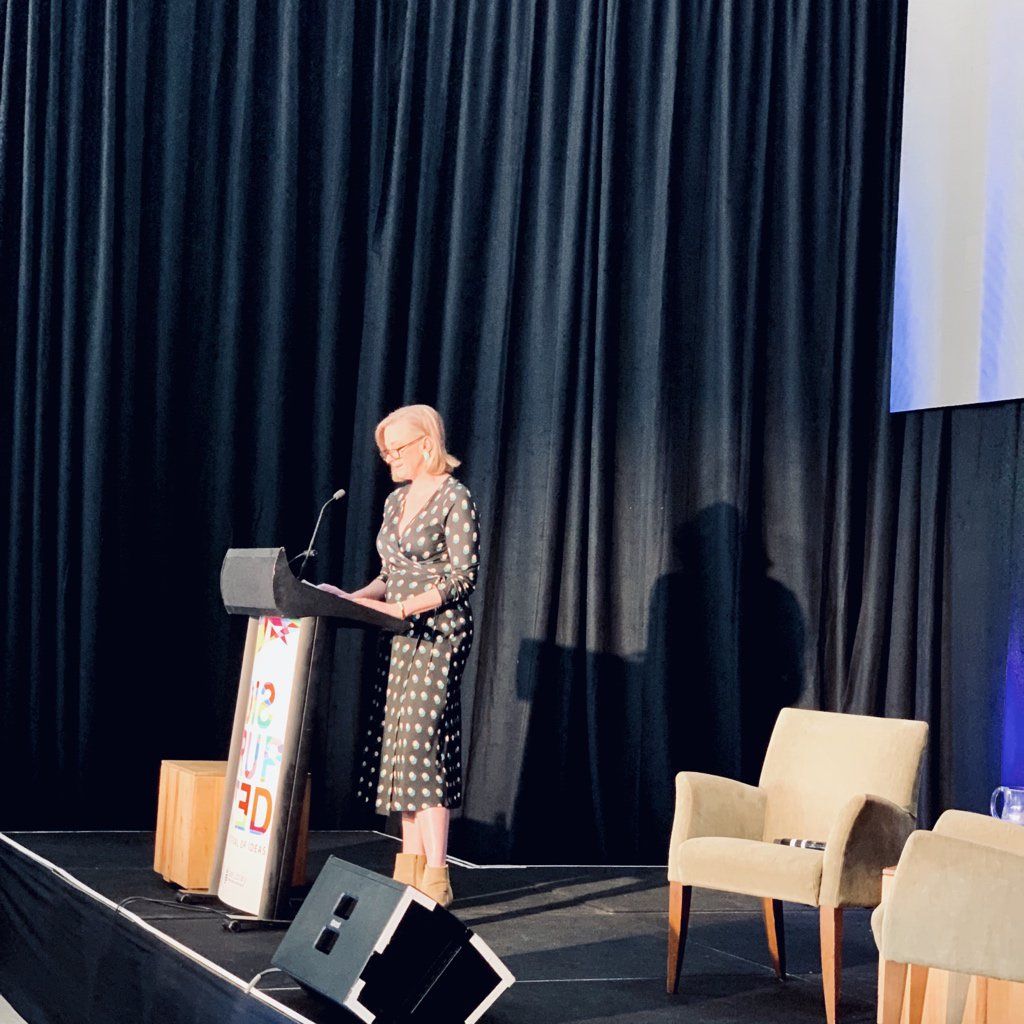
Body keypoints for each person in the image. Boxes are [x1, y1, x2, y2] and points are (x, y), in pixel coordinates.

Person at [320, 404, 479, 907]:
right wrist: (351, 598)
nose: (389, 459)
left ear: (426, 444)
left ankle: (437, 873)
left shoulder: (455, 497)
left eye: (396, 450)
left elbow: (462, 578)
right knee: (401, 750)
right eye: (385, 452)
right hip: (399, 634)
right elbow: (389, 576)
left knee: (423, 747)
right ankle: (409, 868)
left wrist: (406, 607)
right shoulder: (395, 502)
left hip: (438, 634)